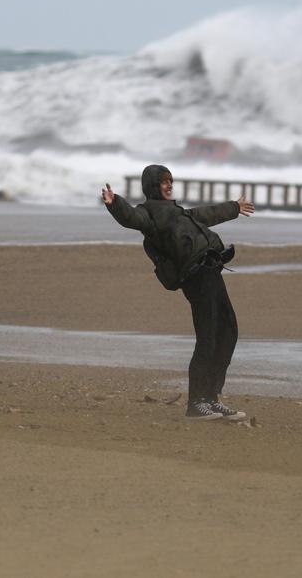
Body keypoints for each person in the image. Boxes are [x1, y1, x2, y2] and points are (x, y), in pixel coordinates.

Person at [102, 165, 256, 421]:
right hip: (195, 277)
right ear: (153, 185)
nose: (169, 185)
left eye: (170, 180)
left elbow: (206, 214)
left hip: (212, 270)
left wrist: (234, 207)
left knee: (228, 332)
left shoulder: (178, 212)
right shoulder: (148, 214)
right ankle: (196, 403)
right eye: (163, 181)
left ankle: (211, 398)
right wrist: (115, 203)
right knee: (208, 337)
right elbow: (131, 218)